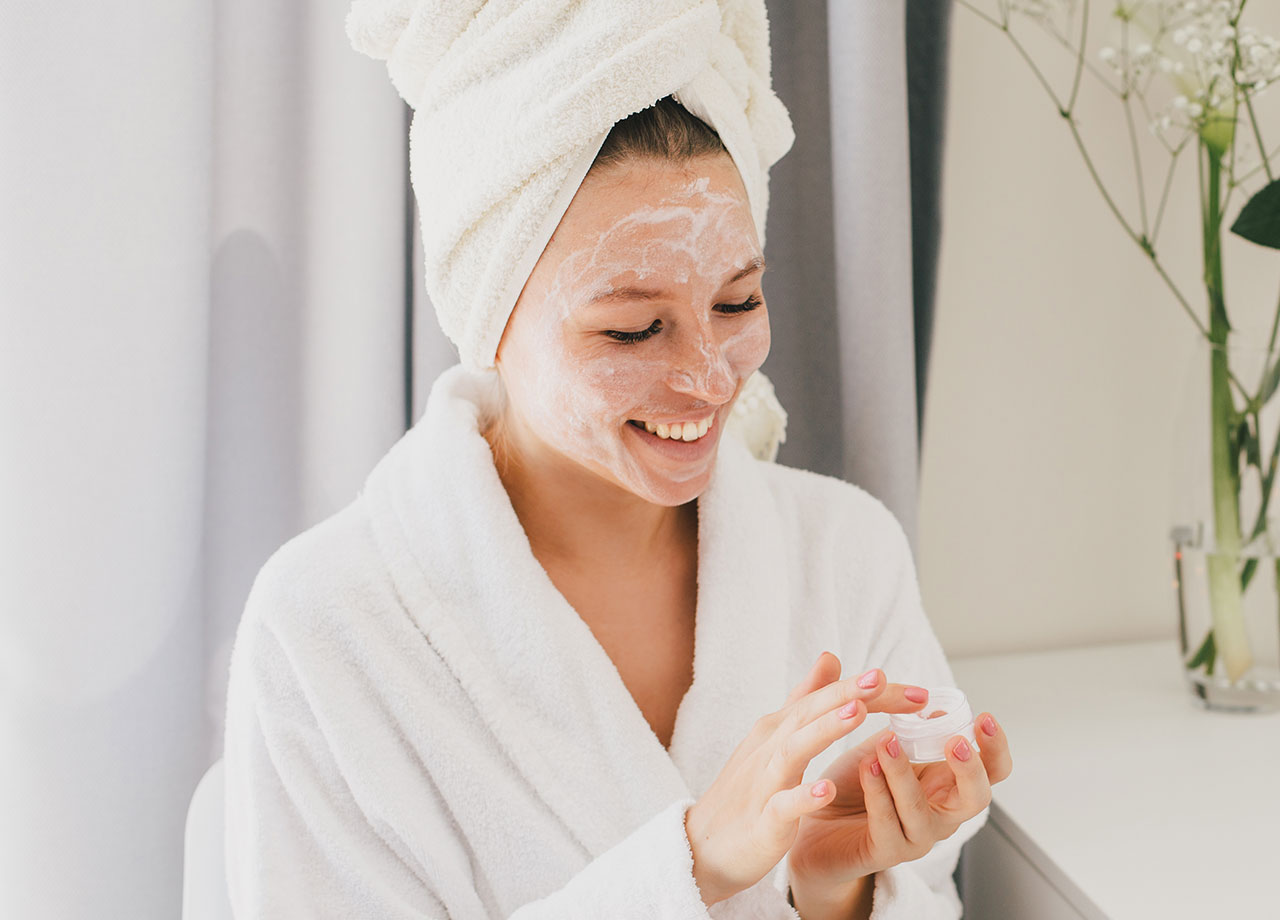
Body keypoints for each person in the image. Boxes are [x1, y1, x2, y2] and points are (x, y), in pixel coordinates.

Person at [223, 4, 1012, 919]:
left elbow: (923, 897)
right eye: (634, 327)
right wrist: (695, 864)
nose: (710, 378)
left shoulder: (844, 553)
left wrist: (832, 885)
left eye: (737, 301)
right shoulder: (326, 628)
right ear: (492, 317)